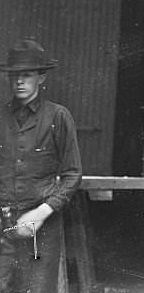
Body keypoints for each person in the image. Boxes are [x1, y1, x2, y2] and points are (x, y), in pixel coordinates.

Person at [0, 39, 82, 292]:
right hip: (3, 226)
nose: (19, 81)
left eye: (27, 75)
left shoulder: (58, 117)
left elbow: (72, 174)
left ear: (41, 77)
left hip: (42, 228)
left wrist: (42, 212)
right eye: (14, 75)